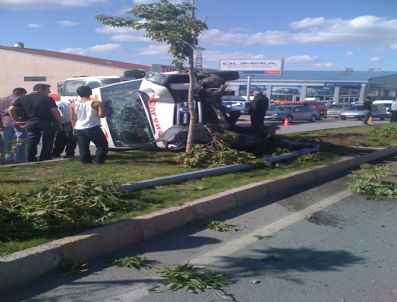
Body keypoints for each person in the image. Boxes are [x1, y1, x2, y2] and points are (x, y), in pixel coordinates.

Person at [8, 83, 63, 162]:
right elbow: (55, 111)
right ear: (40, 89)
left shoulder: (23, 98)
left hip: (30, 122)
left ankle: (30, 158)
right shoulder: (46, 98)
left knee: (31, 141)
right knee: (47, 141)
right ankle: (45, 158)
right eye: (48, 90)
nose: (49, 92)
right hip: (46, 122)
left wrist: (17, 121)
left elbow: (11, 109)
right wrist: (59, 123)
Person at [70, 86, 108, 164]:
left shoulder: (73, 104)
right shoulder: (97, 103)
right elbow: (101, 115)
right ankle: (98, 160)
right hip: (93, 127)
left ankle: (85, 161)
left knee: (83, 147)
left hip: (79, 128)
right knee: (102, 145)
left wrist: (74, 128)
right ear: (90, 93)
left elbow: (73, 118)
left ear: (78, 94)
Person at [0, 87, 27, 163]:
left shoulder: (4, 99)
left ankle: (7, 157)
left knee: (7, 141)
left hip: (6, 122)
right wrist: (18, 120)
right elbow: (13, 110)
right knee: (20, 140)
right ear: (21, 93)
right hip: (17, 122)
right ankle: (19, 157)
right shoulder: (19, 100)